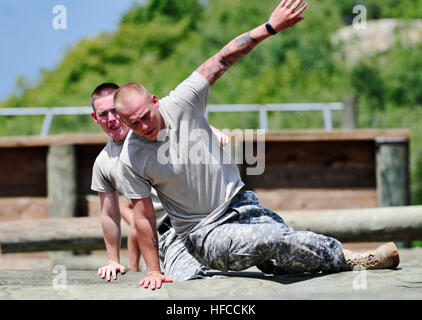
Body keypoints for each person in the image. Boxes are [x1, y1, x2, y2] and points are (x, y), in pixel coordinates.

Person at [113, 0, 400, 290]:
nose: (144, 127)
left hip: (241, 205)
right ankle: (355, 259)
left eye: (146, 117)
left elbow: (223, 58)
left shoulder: (184, 100)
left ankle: (337, 257)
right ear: (125, 123)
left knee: (287, 250)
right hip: (203, 233)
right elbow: (144, 218)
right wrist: (152, 270)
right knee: (268, 242)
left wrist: (270, 27)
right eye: (134, 124)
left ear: (154, 101)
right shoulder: (133, 156)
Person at [90, 82, 229, 283]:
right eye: (103, 114)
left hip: (201, 222)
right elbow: (110, 213)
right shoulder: (104, 163)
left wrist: (210, 131)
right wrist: (113, 260)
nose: (111, 119)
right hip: (163, 241)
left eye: (114, 111)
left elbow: (183, 119)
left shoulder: (153, 131)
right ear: (95, 118)